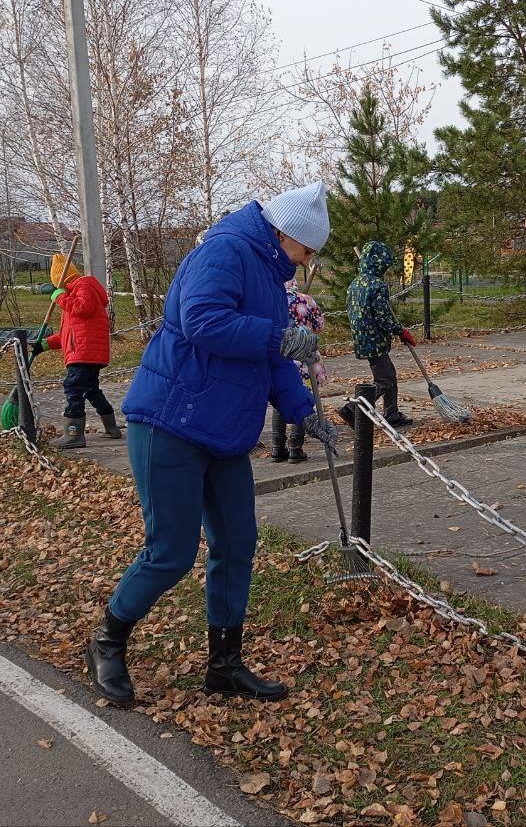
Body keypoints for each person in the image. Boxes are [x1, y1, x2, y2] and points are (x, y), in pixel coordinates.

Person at [85, 181, 340, 706]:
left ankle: (224, 664)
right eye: (308, 247)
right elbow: (202, 321)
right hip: (170, 424)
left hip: (224, 433)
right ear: (284, 232)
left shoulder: (271, 276)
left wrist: (305, 412)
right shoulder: (224, 250)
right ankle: (107, 640)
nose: (310, 259)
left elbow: (270, 362)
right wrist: (277, 336)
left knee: (237, 544)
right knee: (171, 552)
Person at [32, 253, 119, 450]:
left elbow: (83, 308)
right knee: (90, 390)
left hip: (85, 352)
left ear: (60, 280)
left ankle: (73, 435)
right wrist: (44, 345)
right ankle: (111, 428)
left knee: (73, 388)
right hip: (84, 351)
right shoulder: (74, 293)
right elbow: (68, 335)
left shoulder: (83, 285)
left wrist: (59, 296)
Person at [339, 240, 416, 429]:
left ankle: (391, 413)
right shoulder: (376, 285)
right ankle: (351, 409)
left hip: (361, 337)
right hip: (375, 339)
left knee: (389, 375)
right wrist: (400, 331)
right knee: (385, 380)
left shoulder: (355, 283)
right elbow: (383, 315)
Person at [270, 279, 325, 464]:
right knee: (302, 399)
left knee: (280, 400)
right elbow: (319, 326)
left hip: (281, 355)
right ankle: (295, 447)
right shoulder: (306, 300)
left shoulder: (272, 299)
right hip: (304, 358)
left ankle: (277, 447)